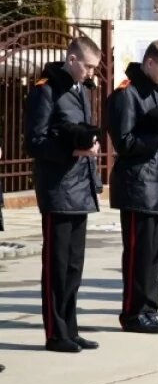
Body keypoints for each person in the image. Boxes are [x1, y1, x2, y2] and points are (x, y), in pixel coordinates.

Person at [25, 37, 104, 352]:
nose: (89, 73)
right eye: (87, 66)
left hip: (80, 188)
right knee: (57, 266)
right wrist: (74, 149)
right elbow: (34, 141)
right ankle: (55, 333)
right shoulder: (46, 90)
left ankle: (70, 328)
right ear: (72, 59)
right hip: (58, 189)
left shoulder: (81, 89)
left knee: (73, 265)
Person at [108, 41, 158, 334]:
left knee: (153, 254)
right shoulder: (127, 94)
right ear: (149, 62)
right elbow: (124, 142)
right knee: (138, 253)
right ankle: (132, 313)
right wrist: (156, 135)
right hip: (137, 184)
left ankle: (149, 310)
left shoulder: (156, 92)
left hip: (157, 184)